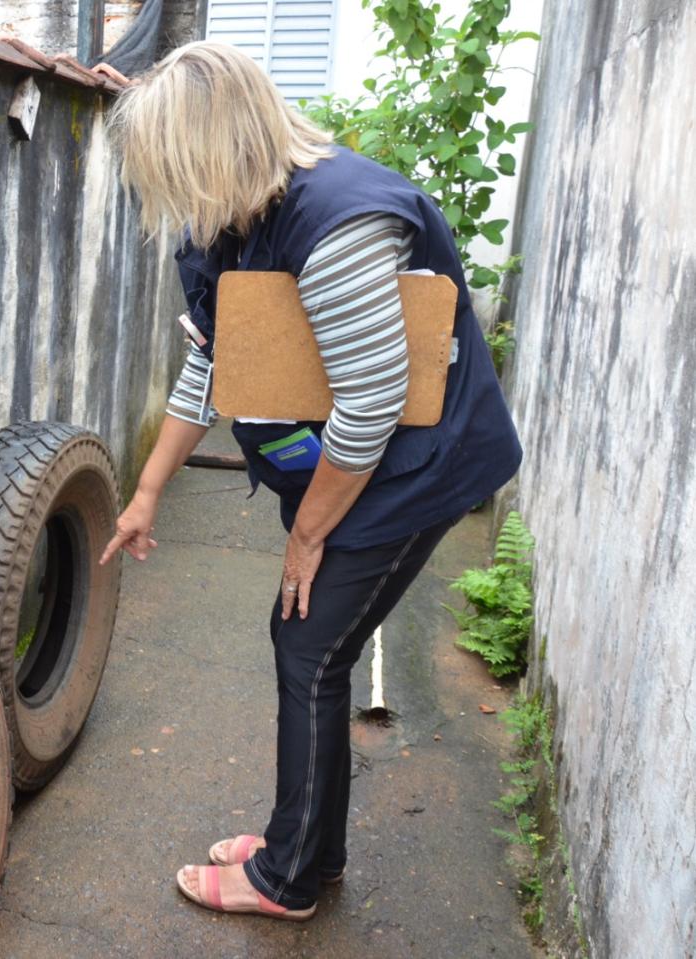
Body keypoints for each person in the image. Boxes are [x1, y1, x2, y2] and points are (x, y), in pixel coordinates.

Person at [99, 41, 523, 922]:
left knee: (311, 646)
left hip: (418, 468)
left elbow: (369, 407)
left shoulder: (336, 228)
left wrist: (307, 532)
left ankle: (287, 877)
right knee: (312, 646)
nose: (173, 200)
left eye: (173, 172)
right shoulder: (237, 220)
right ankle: (308, 849)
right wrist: (145, 492)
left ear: (212, 150)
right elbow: (218, 366)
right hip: (363, 464)